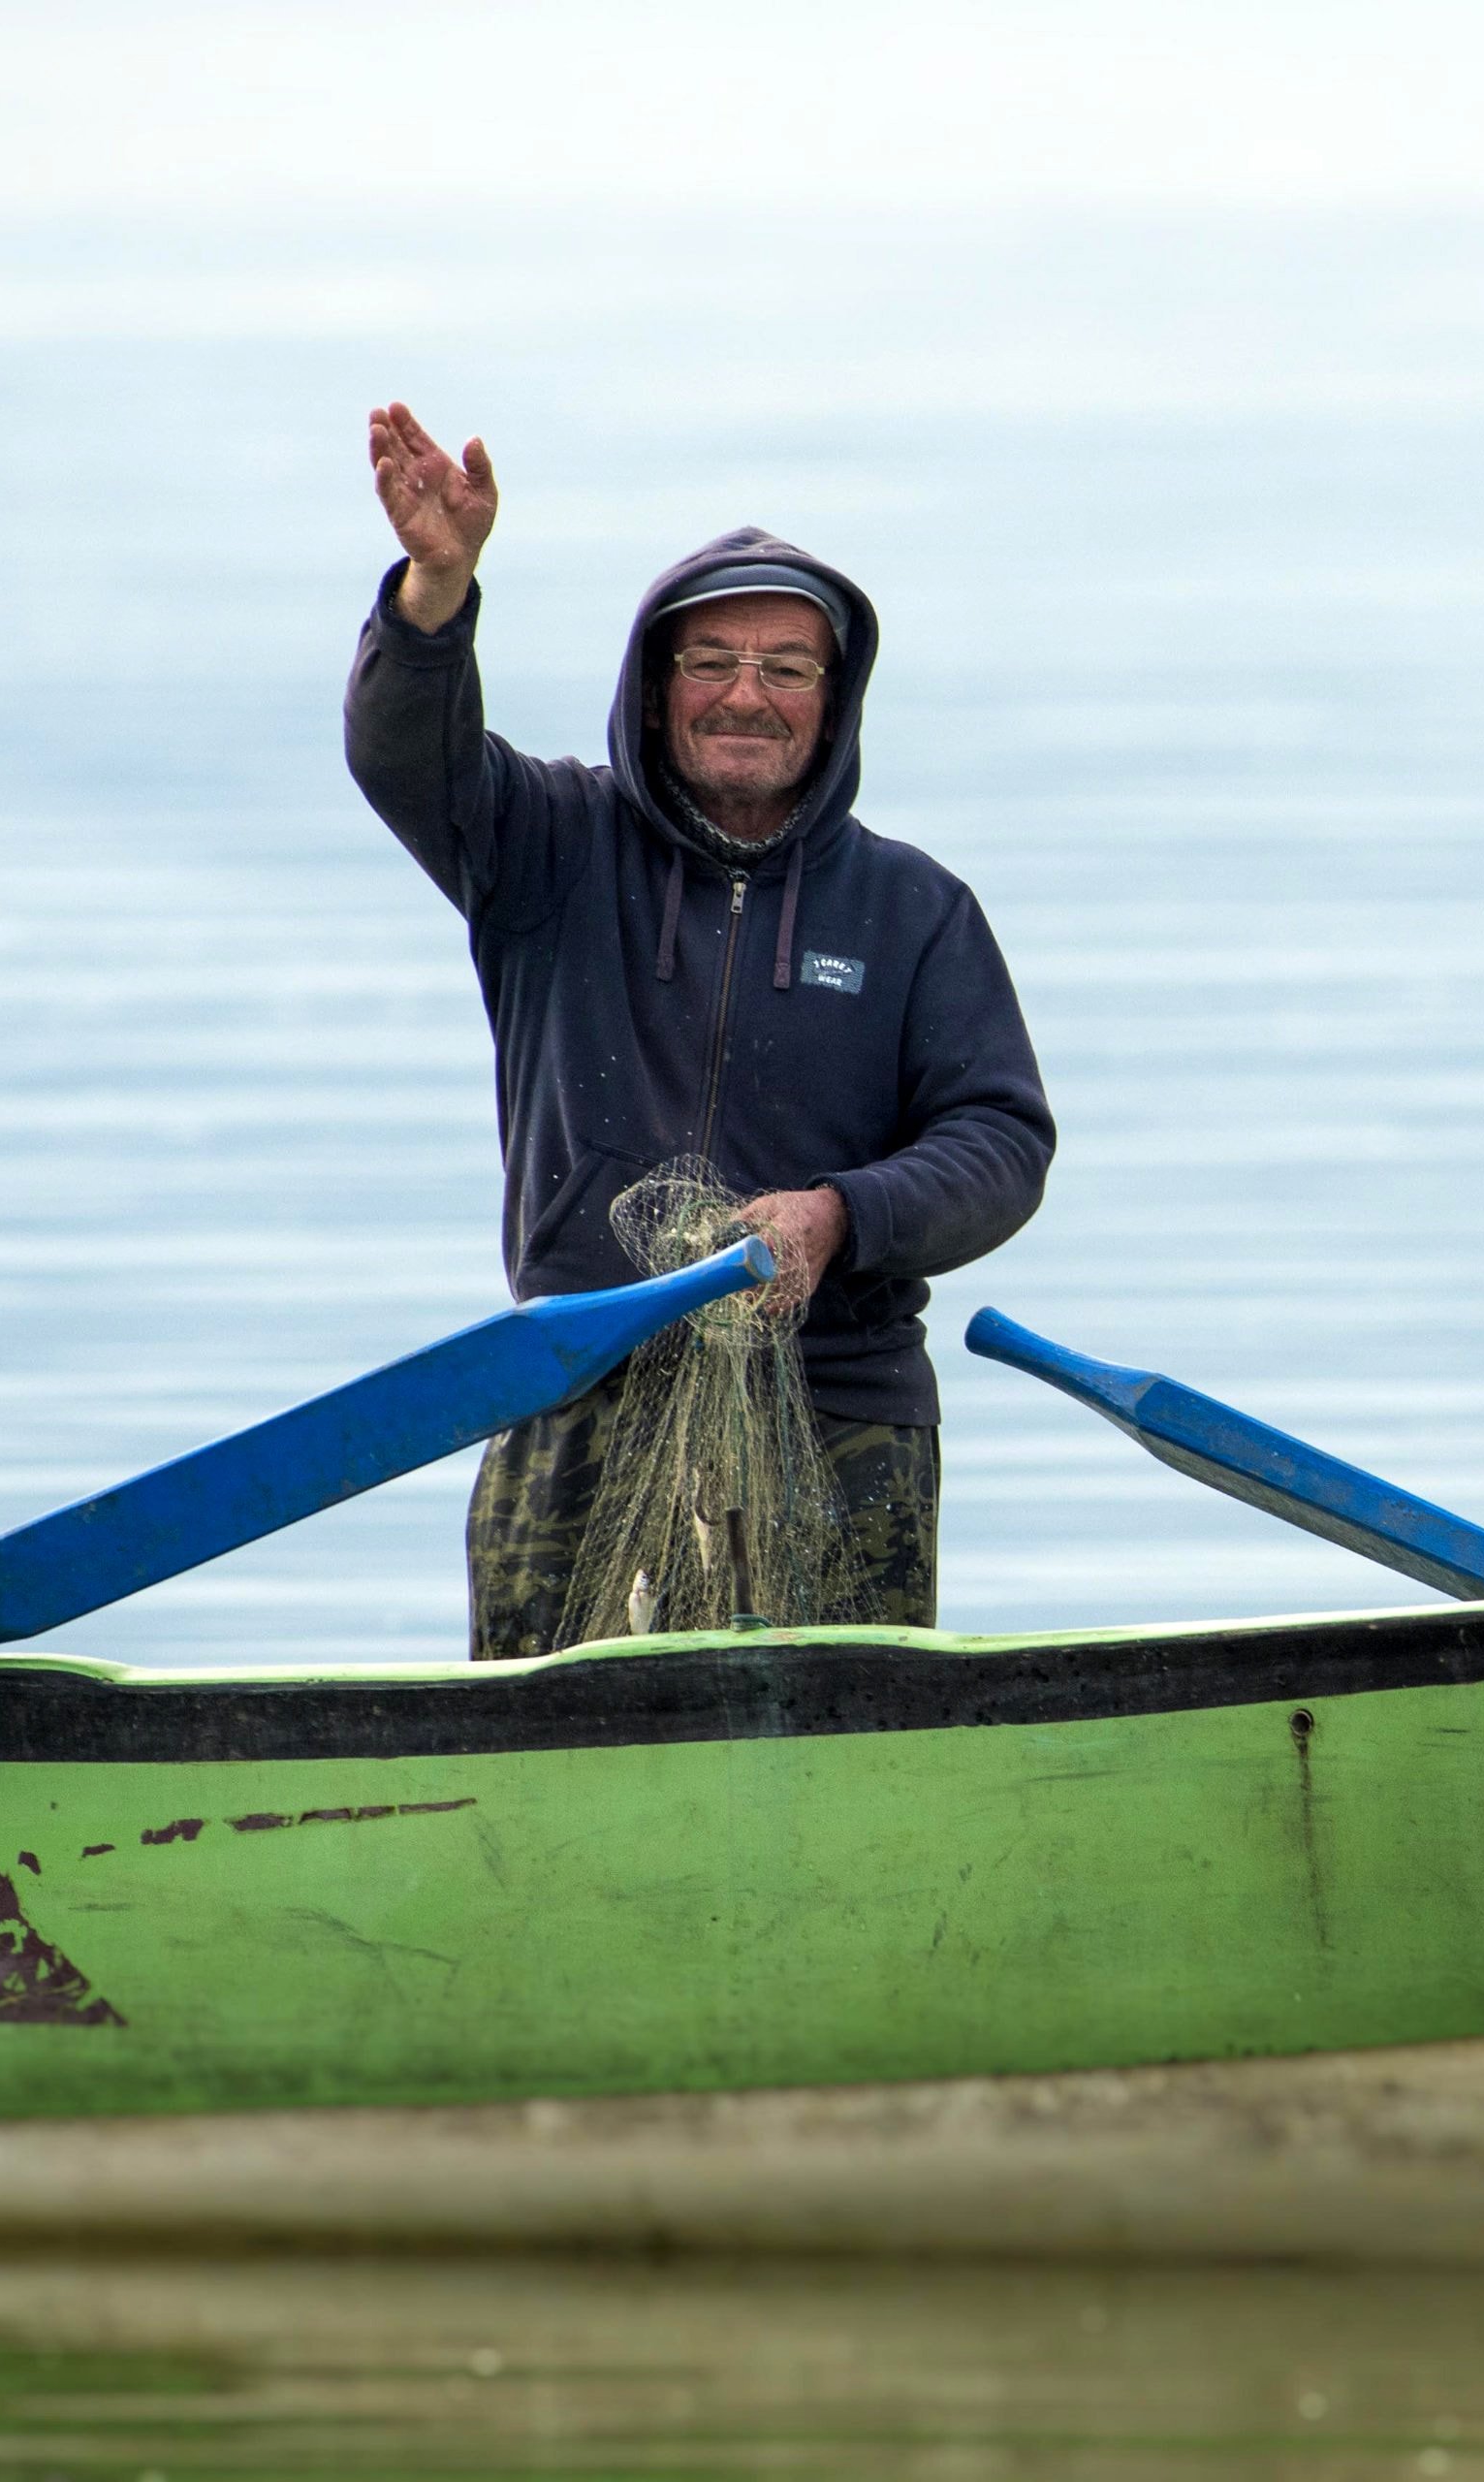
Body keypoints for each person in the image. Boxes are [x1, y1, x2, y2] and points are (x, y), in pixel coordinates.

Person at [347, 402, 1056, 1657]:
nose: (747, 694)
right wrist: (435, 593)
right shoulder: (545, 848)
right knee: (543, 1772)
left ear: (833, 701)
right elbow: (408, 759)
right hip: (577, 1397)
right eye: (712, 661)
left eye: (786, 668)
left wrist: (839, 1215)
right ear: (657, 684)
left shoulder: (915, 911)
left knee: (853, 1772)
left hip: (846, 1414)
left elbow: (999, 1145)